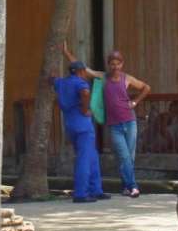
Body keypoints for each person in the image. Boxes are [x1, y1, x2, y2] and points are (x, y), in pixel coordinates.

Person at [64, 45, 150, 198]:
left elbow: (146, 88)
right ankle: (134, 186)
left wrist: (135, 102)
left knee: (129, 157)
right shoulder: (103, 77)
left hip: (130, 121)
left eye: (118, 63)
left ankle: (125, 187)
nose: (115, 66)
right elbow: (84, 68)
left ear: (122, 64)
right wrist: (66, 52)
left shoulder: (127, 78)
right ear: (108, 65)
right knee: (123, 156)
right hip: (115, 125)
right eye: (112, 63)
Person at [52, 60, 106, 204]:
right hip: (82, 123)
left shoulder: (61, 83)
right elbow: (85, 92)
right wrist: (85, 109)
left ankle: (96, 190)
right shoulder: (80, 83)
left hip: (70, 123)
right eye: (85, 72)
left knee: (92, 156)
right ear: (81, 72)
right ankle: (81, 193)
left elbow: (52, 79)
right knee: (84, 159)